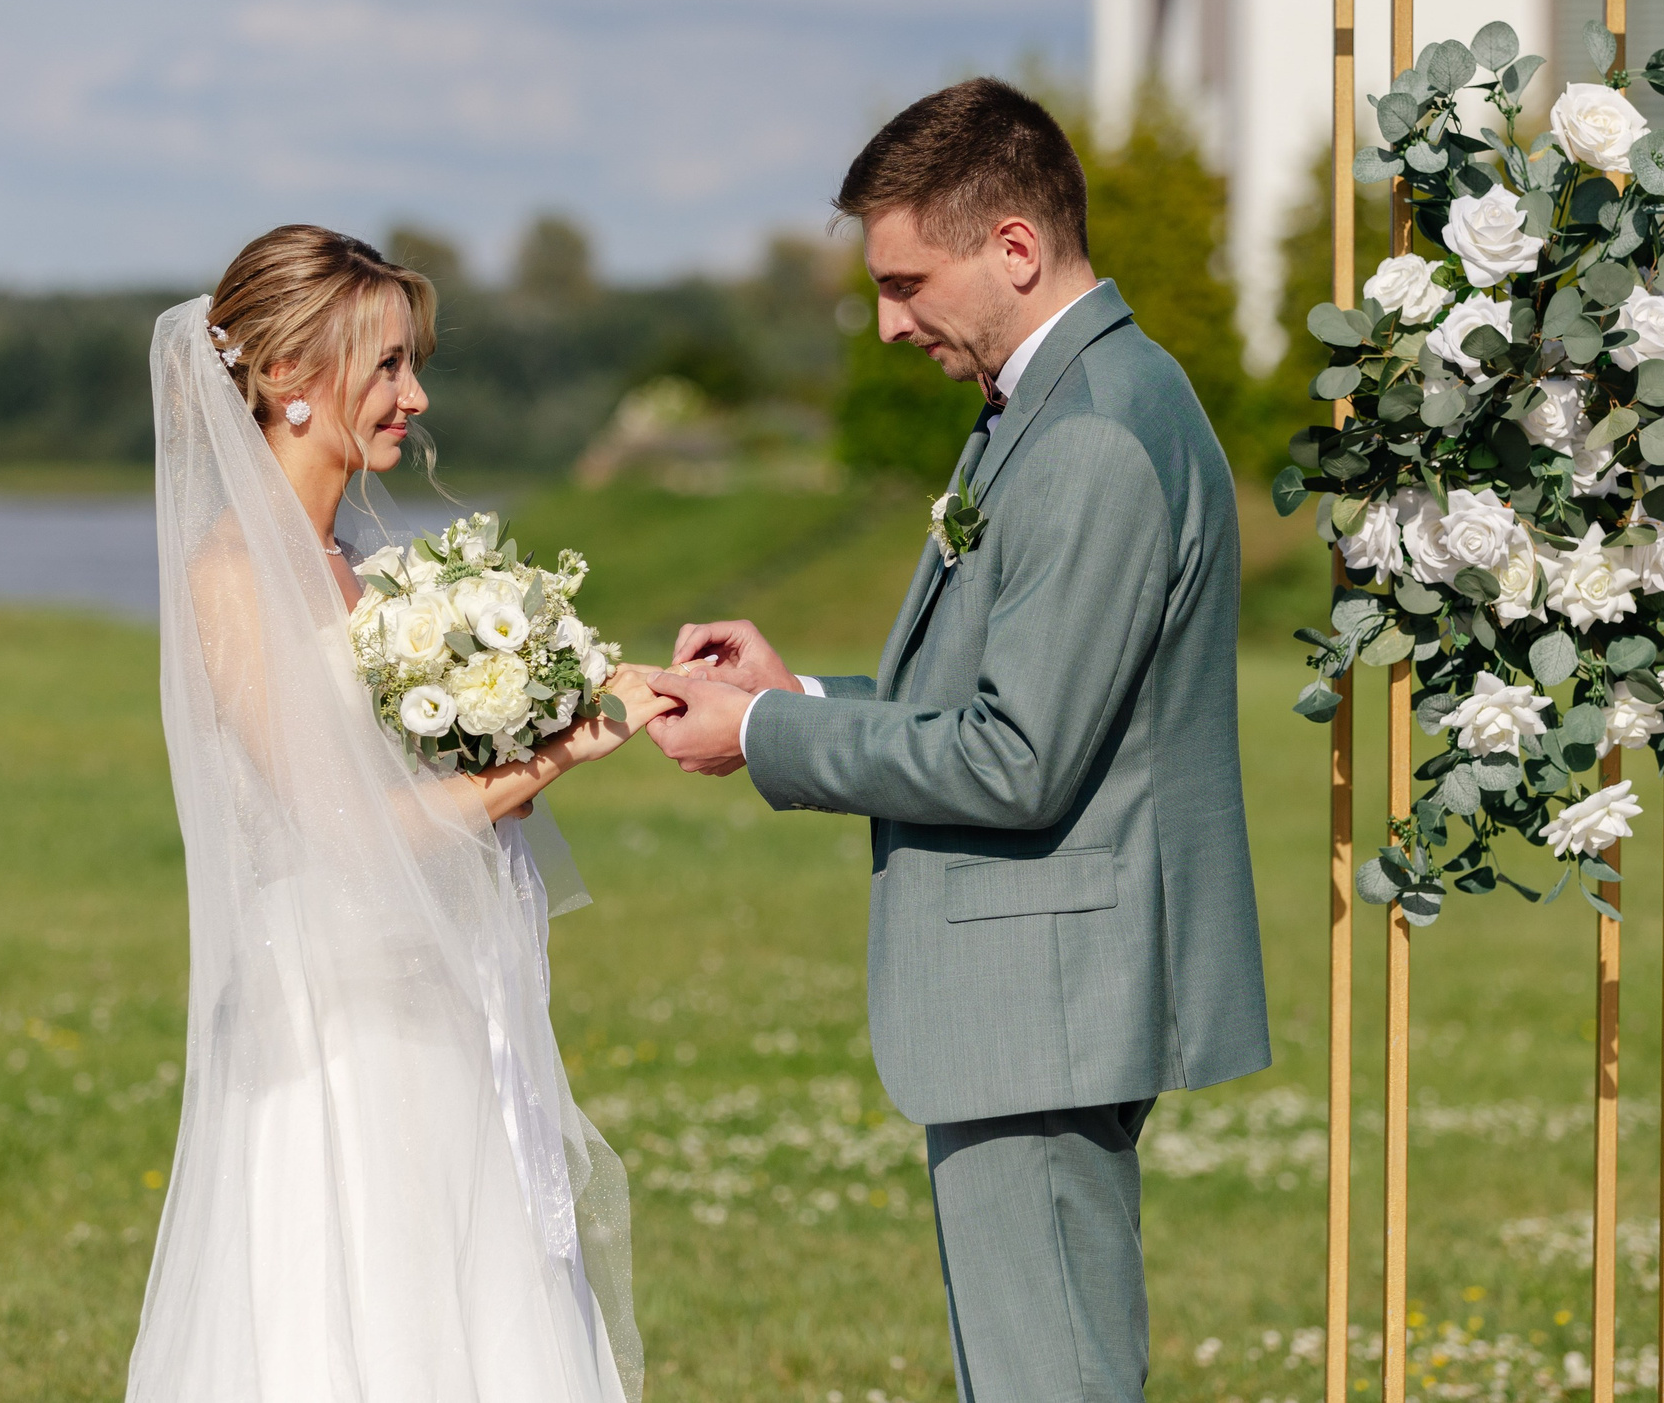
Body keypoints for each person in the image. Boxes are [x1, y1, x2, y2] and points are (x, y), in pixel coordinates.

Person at [648, 79, 1269, 1403]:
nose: (886, 322)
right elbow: (1009, 691)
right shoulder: (1058, 401)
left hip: (1047, 995)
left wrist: (764, 735)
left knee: (1050, 1376)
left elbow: (1016, 755)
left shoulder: (1095, 432)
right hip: (1040, 982)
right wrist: (803, 690)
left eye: (906, 279)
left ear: (1015, 248)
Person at [127, 226, 664, 1403]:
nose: (414, 396)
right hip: (329, 1017)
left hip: (426, 994)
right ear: (283, 380)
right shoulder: (231, 574)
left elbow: (429, 802)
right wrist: (568, 746)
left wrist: (517, 722)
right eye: (386, 367)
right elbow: (342, 828)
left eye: (410, 364)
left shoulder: (359, 571)